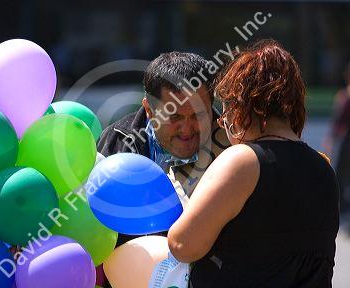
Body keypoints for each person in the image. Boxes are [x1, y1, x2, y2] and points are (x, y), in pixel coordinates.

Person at [168, 40, 339, 287]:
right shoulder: (324, 169)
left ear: (240, 109)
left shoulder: (242, 161)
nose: (222, 123)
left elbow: (183, 245)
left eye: (225, 113)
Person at [97, 52, 230, 246]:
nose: (187, 129)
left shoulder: (235, 147)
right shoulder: (117, 141)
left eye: (198, 115)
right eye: (174, 117)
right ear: (149, 109)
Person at [323, 62, 350, 215]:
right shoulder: (344, 96)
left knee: (341, 174)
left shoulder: (344, 97)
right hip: (345, 141)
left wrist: (331, 141)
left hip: (346, 142)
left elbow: (337, 124)